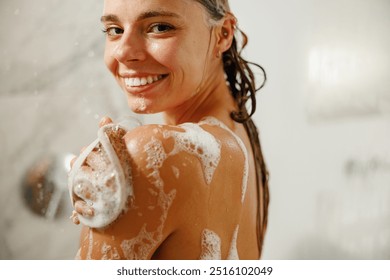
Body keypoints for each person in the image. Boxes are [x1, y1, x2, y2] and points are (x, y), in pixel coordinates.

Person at [69, 0, 269, 260]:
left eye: (160, 27)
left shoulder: (153, 155)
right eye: (114, 30)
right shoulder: (241, 132)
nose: (123, 51)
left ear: (223, 34)